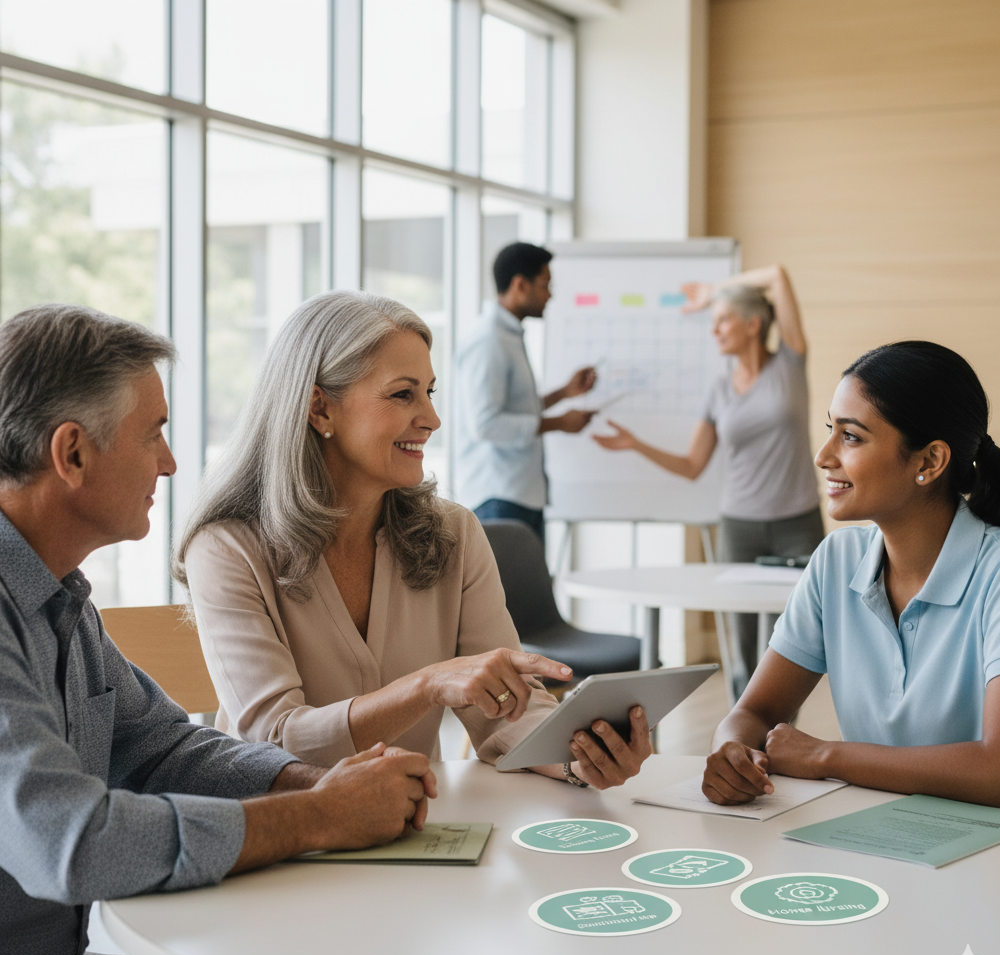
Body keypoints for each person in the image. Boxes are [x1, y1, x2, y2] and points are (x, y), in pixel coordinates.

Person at [0, 304, 438, 955]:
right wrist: (317, 817)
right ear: (72, 453)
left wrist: (316, 783)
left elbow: (160, 746)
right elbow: (73, 843)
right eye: (153, 433)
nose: (170, 462)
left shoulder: (59, 598)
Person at [175, 290, 651, 790]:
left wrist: (577, 757)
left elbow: (504, 712)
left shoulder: (456, 533)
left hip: (414, 819)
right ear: (320, 408)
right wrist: (427, 686)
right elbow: (273, 741)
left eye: (430, 392)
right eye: (404, 394)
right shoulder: (226, 548)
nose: (432, 418)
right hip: (283, 825)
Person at [703, 341, 1000, 810]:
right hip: (868, 831)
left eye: (851, 437)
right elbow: (754, 711)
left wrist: (825, 756)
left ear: (929, 462)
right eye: (830, 430)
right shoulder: (837, 559)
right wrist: (730, 751)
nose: (823, 456)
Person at [593, 265, 823, 701]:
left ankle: (780, 731)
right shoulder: (719, 388)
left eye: (722, 319)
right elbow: (692, 464)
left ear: (753, 324)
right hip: (740, 527)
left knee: (797, 643)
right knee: (744, 645)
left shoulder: (790, 362)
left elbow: (777, 276)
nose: (714, 329)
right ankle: (744, 728)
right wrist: (635, 445)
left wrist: (712, 291)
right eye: (712, 320)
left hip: (798, 524)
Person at [454, 241, 597, 540]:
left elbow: (514, 408)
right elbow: (486, 424)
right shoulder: (489, 340)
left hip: (520, 494)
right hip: (499, 496)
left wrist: (563, 393)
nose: (550, 295)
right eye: (545, 285)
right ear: (520, 285)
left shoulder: (508, 336)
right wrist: (559, 423)